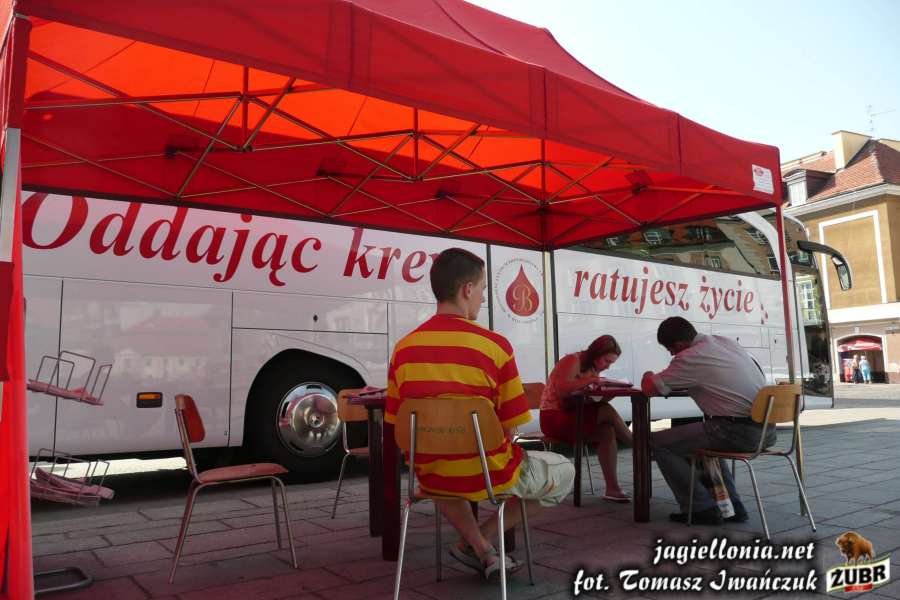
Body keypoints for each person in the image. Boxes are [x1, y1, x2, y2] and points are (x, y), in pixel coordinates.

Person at [385, 248, 575, 580]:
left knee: (445, 467)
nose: (483, 298)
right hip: (491, 475)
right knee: (565, 472)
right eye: (483, 289)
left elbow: (395, 423)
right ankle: (482, 540)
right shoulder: (494, 347)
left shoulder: (403, 350)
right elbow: (510, 427)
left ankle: (481, 549)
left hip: (431, 477)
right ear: (467, 289)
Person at [640, 317, 774, 525]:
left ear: (679, 345)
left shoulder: (690, 357)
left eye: (670, 350)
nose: (672, 355)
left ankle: (700, 508)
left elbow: (650, 388)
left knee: (657, 442)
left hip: (738, 431)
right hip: (767, 430)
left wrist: (648, 374)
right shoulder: (725, 343)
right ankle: (732, 506)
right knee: (706, 438)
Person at [540, 335, 633, 501]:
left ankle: (612, 489)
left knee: (607, 431)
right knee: (606, 411)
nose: (607, 366)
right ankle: (637, 444)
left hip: (573, 413)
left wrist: (605, 394)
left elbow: (583, 398)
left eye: (611, 363)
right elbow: (562, 390)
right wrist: (593, 380)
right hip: (553, 417)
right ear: (596, 353)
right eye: (606, 361)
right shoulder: (572, 360)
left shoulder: (592, 368)